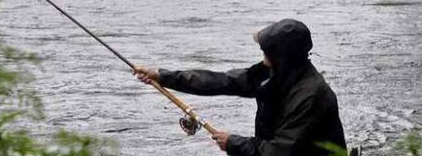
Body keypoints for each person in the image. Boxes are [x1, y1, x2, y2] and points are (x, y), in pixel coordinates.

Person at [134, 19, 347, 156]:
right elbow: (223, 81)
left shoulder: (312, 96)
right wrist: (163, 77)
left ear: (281, 57)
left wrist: (234, 143)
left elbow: (282, 151)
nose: (263, 59)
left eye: (266, 53)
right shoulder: (277, 72)